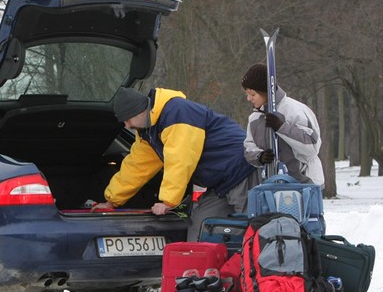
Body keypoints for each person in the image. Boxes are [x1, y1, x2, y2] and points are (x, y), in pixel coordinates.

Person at [93, 87, 257, 241]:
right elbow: (136, 168)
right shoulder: (148, 131)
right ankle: (196, 270)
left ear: (140, 111)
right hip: (219, 183)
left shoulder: (177, 113)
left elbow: (180, 159)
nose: (127, 126)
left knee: (250, 229)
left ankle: (253, 268)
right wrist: (111, 201)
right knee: (201, 225)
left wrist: (168, 202)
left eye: (127, 120)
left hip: (241, 170)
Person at [241, 63, 324, 186]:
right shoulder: (254, 118)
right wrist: (260, 156)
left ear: (266, 92)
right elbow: (248, 148)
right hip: (271, 185)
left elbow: (312, 146)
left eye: (252, 94)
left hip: (304, 184)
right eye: (247, 94)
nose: (248, 98)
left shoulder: (295, 110)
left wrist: (282, 127)